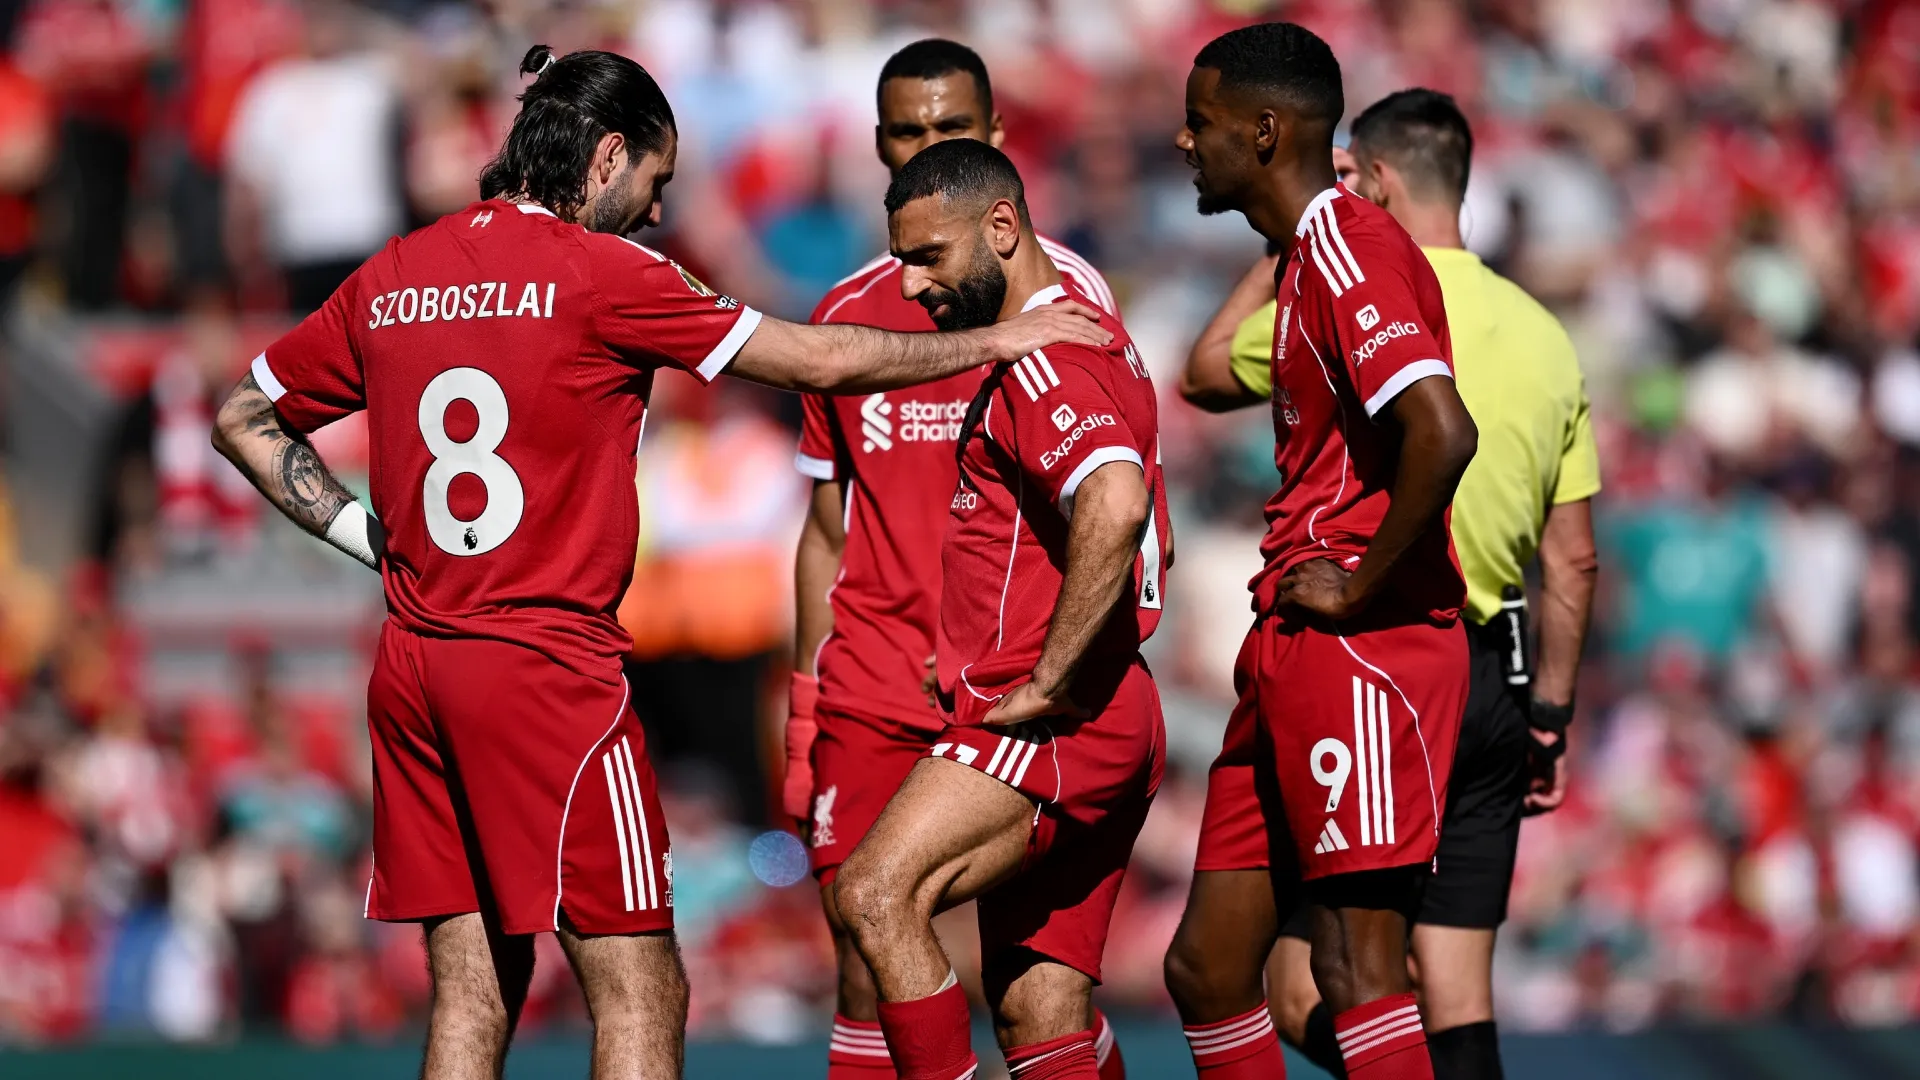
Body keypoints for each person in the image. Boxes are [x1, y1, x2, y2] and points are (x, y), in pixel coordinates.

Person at [209, 47, 1108, 1080]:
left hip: (414, 663)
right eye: (655, 182)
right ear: (603, 157)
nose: (653, 211)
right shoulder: (605, 273)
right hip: (550, 669)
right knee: (641, 986)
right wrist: (992, 346)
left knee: (472, 985)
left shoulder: (397, 269)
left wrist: (370, 540)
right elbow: (818, 359)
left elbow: (244, 416)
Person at [1182, 89, 1602, 1080]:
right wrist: (1549, 713)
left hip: (1380, 646)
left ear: (1375, 178)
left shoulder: (1344, 284)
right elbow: (1574, 558)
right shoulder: (1544, 334)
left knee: (1323, 976)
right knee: (1446, 993)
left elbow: (1201, 374)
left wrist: (1283, 242)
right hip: (1494, 674)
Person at [782, 38, 1124, 1080]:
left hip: (1009, 690)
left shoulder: (1066, 302)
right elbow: (828, 529)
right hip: (876, 691)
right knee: (861, 951)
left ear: (997, 142)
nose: (925, 147)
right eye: (906, 131)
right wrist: (804, 715)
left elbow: (1110, 507)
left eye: (950, 129)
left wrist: (1061, 673)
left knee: (1038, 999)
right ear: (878, 144)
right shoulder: (843, 316)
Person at [1164, 24, 1479, 1080]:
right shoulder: (1302, 257)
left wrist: (1357, 586)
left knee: (1357, 966)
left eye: (1201, 123)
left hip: (1362, 641)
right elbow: (1204, 376)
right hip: (1290, 640)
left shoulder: (1348, 243)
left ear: (1262, 130)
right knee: (1207, 969)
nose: (1183, 141)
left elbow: (1443, 428)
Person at [831, 139, 1169, 1080]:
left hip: (1057, 717)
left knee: (872, 894)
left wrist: (1048, 675)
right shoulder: (1082, 325)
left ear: (1003, 227)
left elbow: (1116, 499)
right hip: (1111, 709)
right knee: (1039, 1015)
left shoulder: (1044, 361)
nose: (908, 285)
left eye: (928, 256)